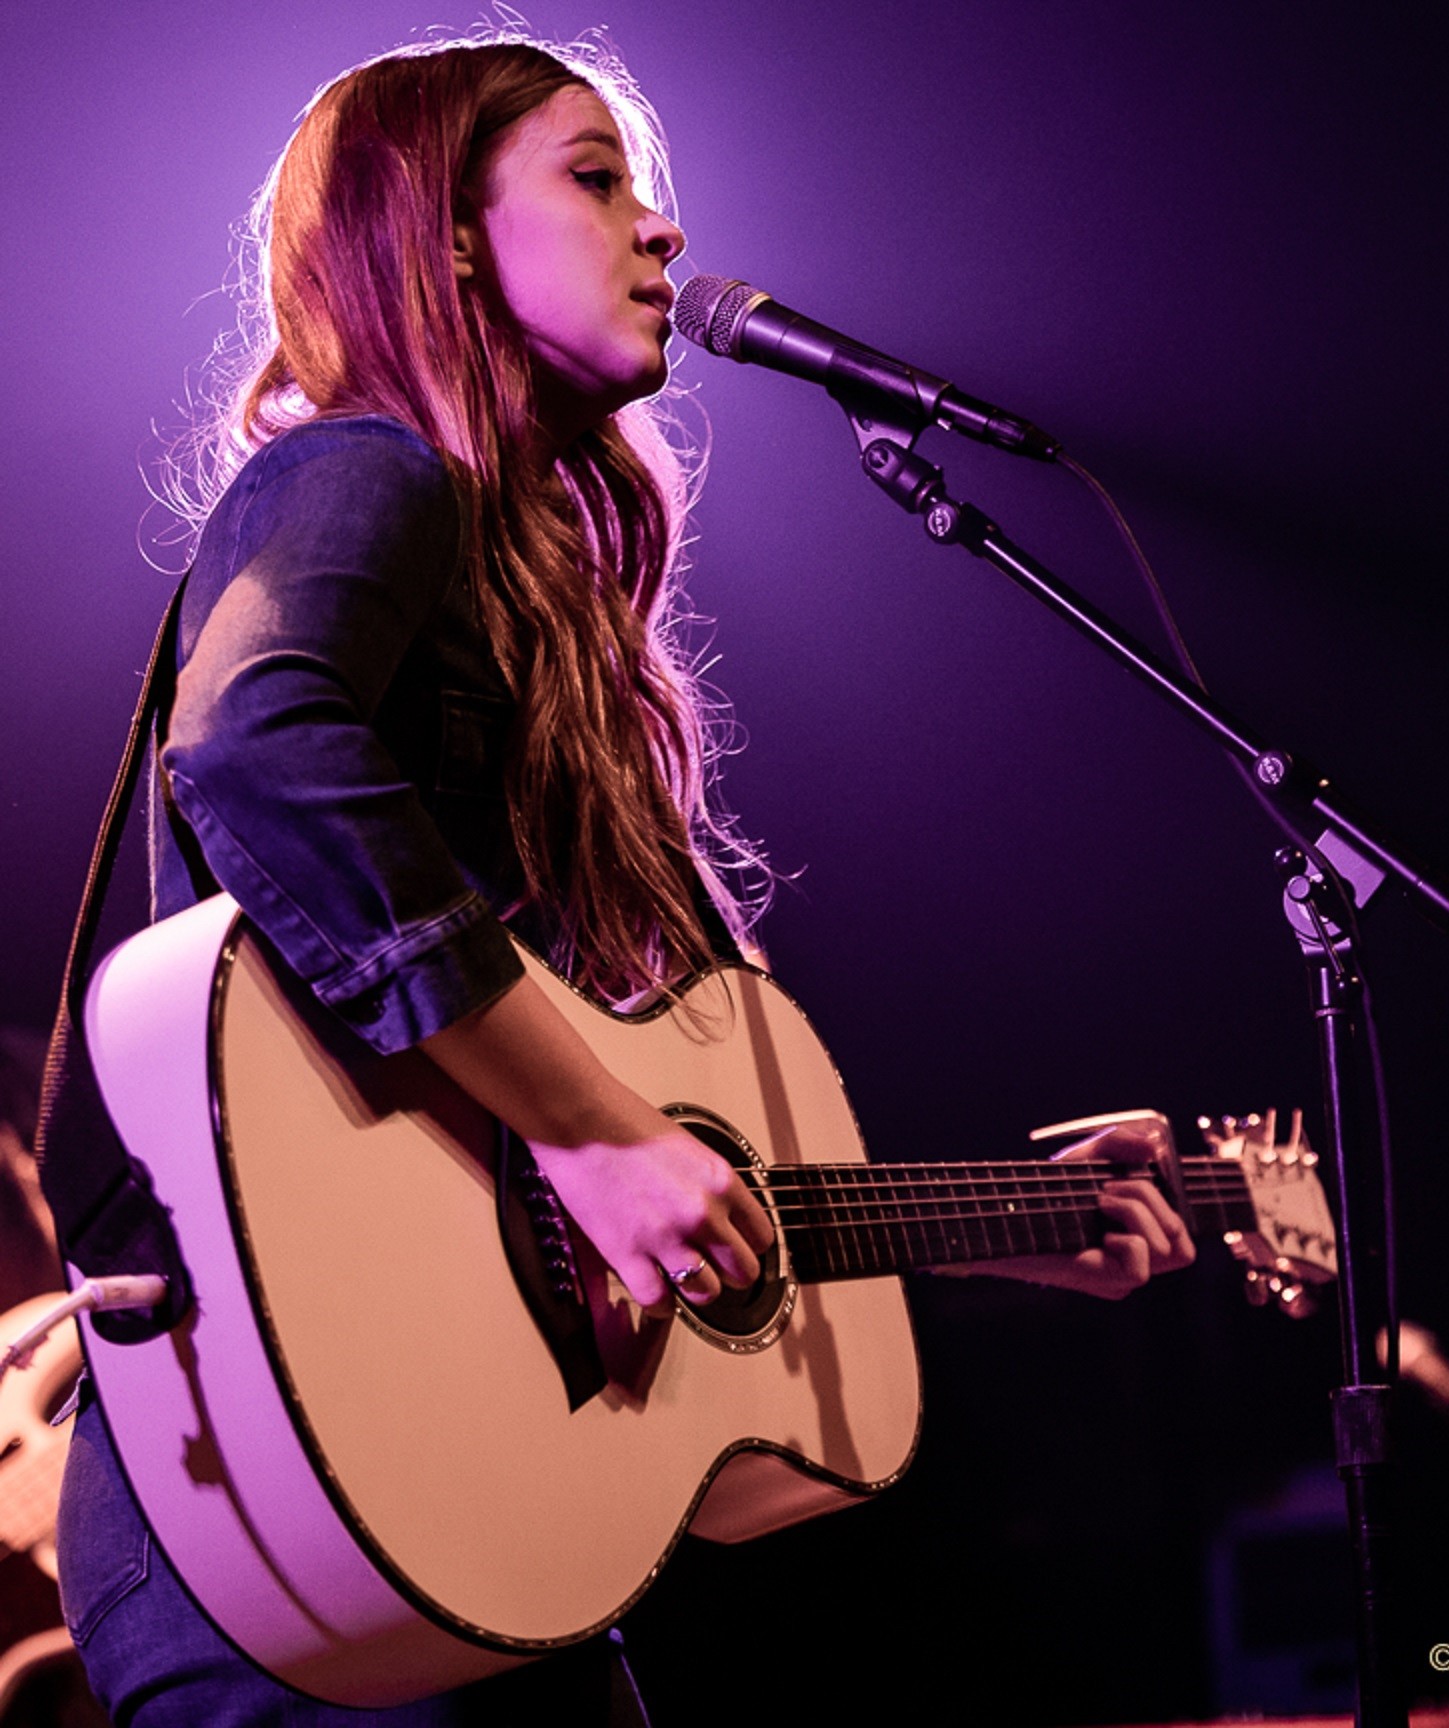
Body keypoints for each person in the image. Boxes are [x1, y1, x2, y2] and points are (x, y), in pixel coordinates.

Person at [51, 31, 1193, 1726]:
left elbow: (640, 1167)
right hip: (282, 1500)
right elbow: (254, 735)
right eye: (595, 181)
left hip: (468, 1532)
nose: (661, 231)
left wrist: (1011, 1228)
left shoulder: (543, 616)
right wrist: (594, 1127)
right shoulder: (363, 466)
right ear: (440, 235)